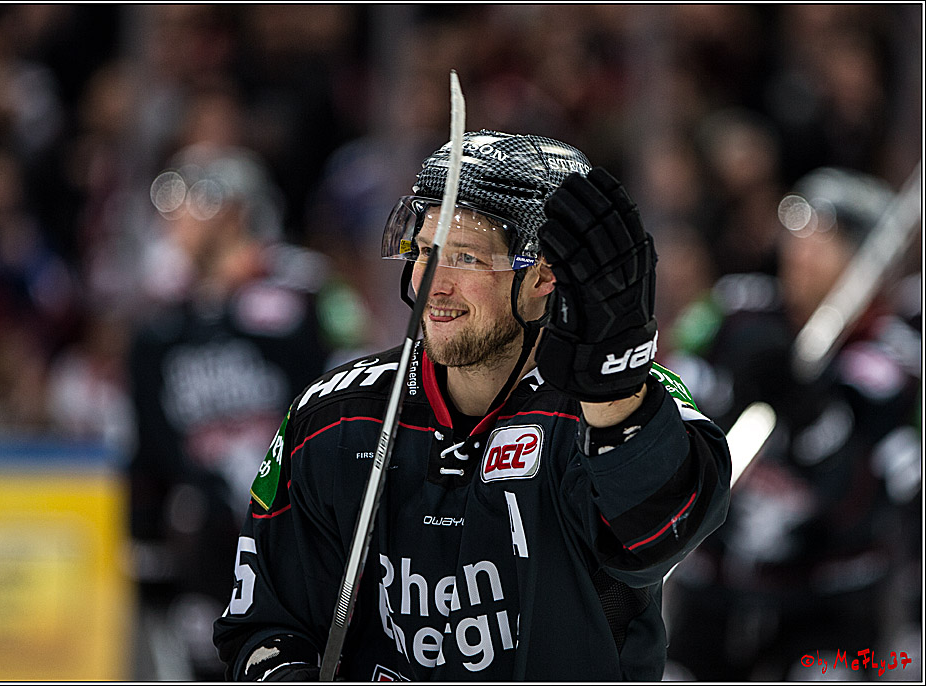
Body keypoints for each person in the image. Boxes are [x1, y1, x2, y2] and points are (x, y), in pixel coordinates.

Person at [212, 130, 733, 680]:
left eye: (465, 257)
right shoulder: (335, 418)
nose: (433, 285)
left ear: (542, 274)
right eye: (425, 252)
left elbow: (660, 536)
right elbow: (266, 625)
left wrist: (614, 394)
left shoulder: (613, 402)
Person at [662, 167, 922, 680]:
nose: (802, 250)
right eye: (798, 232)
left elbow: (881, 496)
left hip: (829, 608)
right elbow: (670, 388)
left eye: (826, 238)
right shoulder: (737, 311)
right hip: (714, 595)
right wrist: (722, 397)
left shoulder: (891, 358)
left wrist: (816, 423)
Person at [127, 143, 358, 679]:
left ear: (233, 211)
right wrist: (144, 536)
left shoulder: (306, 290)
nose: (176, 217)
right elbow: (151, 444)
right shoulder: (161, 327)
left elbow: (361, 375)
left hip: (302, 522)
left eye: (194, 200)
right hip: (205, 537)